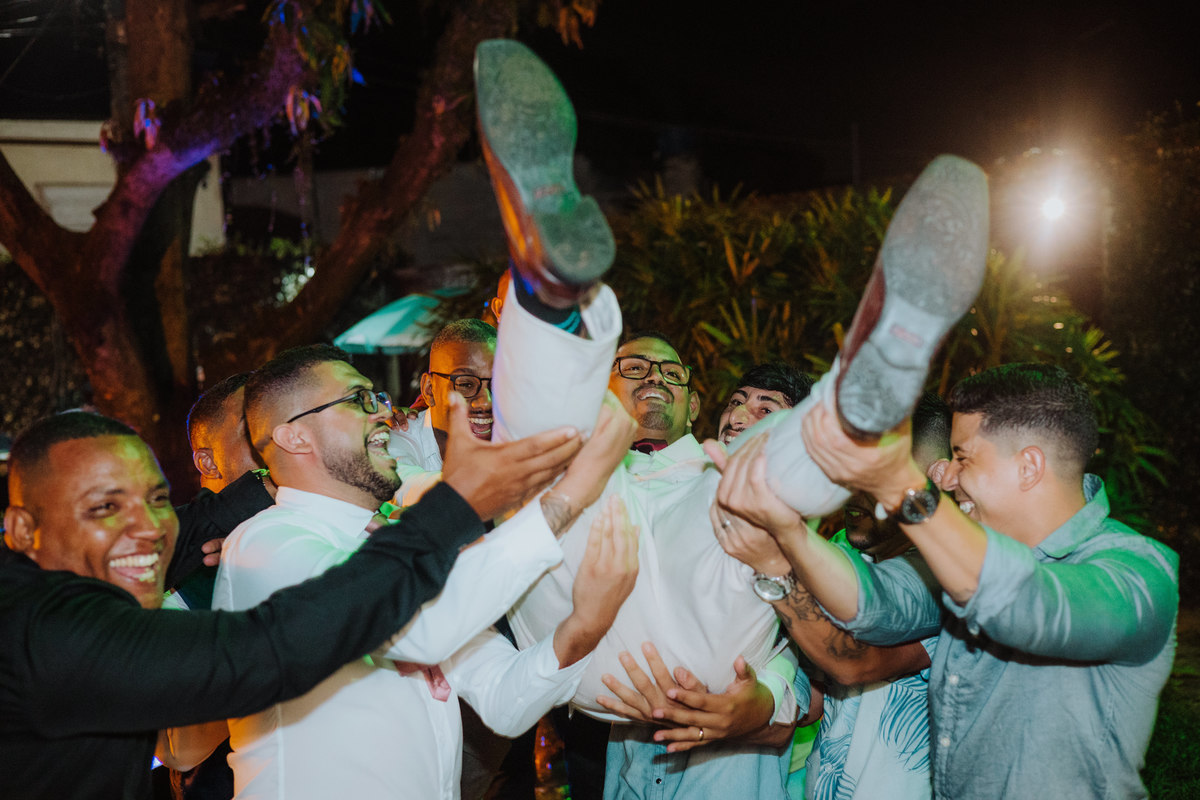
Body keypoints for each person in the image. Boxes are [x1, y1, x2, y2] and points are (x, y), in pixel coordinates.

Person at [0, 407, 581, 800]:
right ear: (22, 530)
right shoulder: (47, 630)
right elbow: (271, 648)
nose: (150, 527)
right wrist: (455, 507)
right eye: (105, 507)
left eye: (157, 500)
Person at [714, 363, 1179, 798]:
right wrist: (785, 536)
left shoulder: (1138, 571)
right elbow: (873, 602)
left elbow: (1029, 605)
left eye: (962, 458)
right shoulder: (952, 566)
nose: (945, 476)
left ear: (1029, 466)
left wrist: (900, 485)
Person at [207, 344, 639, 799]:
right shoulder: (266, 545)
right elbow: (420, 630)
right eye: (359, 401)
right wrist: (568, 496)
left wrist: (587, 622)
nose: (383, 415)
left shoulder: (390, 550)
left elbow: (505, 701)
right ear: (295, 436)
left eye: (377, 399)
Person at [708, 393, 952, 799]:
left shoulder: (951, 575)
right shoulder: (840, 550)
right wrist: (754, 707)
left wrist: (775, 564)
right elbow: (817, 696)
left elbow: (856, 663)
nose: (851, 491)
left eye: (873, 477)